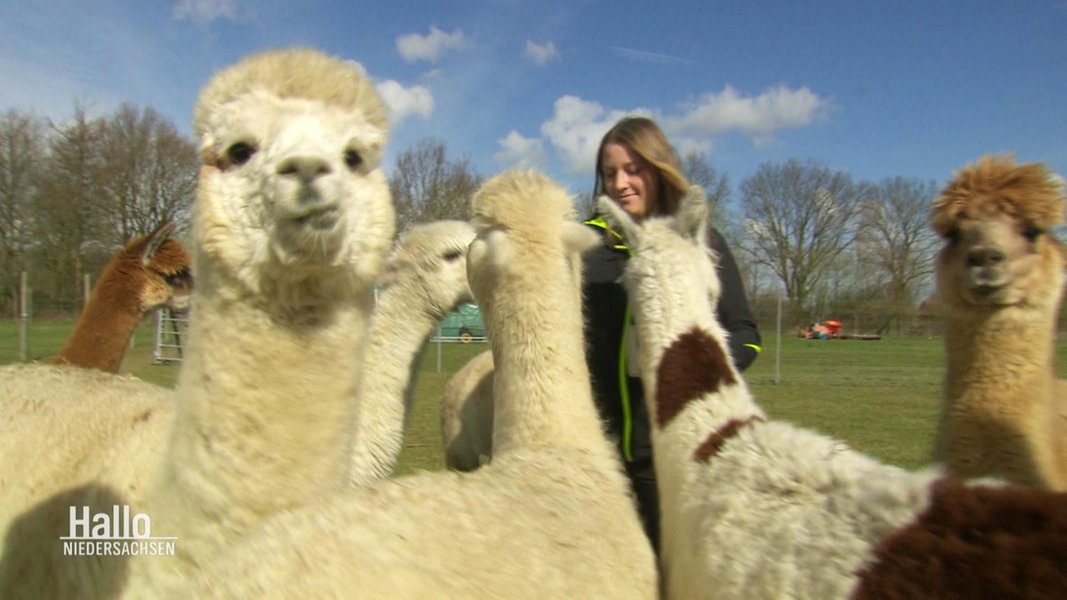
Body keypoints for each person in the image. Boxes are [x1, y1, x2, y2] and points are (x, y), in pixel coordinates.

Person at [582, 116, 762, 554]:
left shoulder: (700, 241)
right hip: (595, 459)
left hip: (670, 461)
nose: (621, 183)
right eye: (609, 173)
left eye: (633, 169)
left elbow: (746, 334)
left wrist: (689, 372)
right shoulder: (586, 250)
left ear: (658, 168)